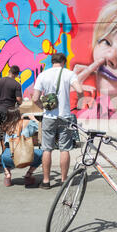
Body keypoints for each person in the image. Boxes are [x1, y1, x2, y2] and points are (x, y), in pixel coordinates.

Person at [32, 53, 83, 189]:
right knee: (64, 148)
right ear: (64, 62)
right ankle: (63, 180)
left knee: (47, 149)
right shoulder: (69, 74)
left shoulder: (43, 75)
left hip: (48, 117)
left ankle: (46, 181)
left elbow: (35, 98)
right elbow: (79, 90)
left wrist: (44, 108)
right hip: (65, 116)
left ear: (52, 61)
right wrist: (79, 101)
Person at [0, 107, 42, 187]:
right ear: (19, 114)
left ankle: (7, 174)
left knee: (4, 154)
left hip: (9, 157)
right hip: (24, 157)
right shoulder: (27, 122)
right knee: (42, 153)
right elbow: (41, 128)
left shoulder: (6, 125)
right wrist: (33, 118)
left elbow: (5, 143)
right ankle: (28, 174)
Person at [0, 65, 22, 152]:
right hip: (9, 111)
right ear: (16, 74)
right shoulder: (16, 84)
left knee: (0, 132)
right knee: (9, 131)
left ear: (9, 71)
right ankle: (9, 152)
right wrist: (20, 103)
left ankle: (3, 152)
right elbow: (19, 100)